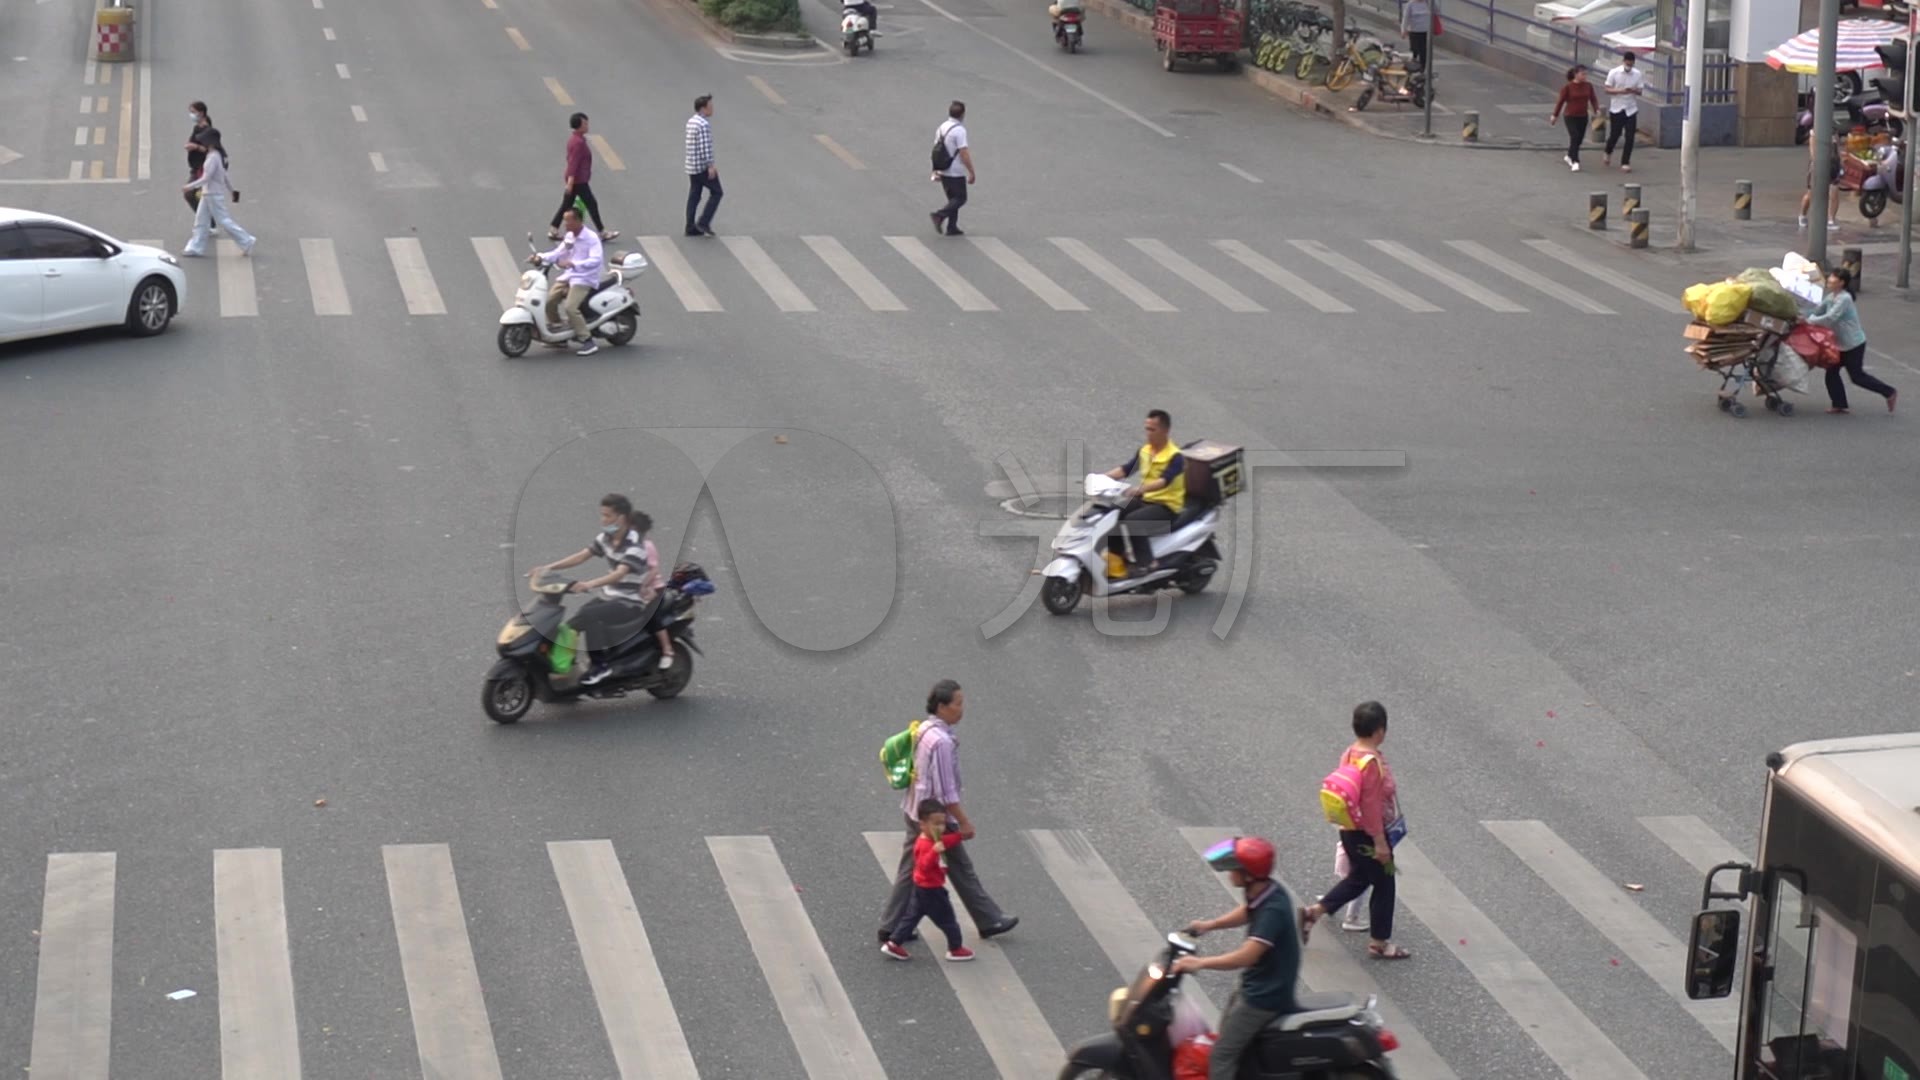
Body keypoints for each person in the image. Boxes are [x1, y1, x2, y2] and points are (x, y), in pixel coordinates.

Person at [878, 680, 1018, 944]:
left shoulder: (925, 729)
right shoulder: (940, 741)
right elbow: (946, 791)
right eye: (957, 703)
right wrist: (963, 822)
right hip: (935, 818)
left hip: (915, 808)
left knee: (913, 869)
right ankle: (988, 919)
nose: (961, 709)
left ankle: (891, 925)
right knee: (961, 868)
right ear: (942, 707)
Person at [1171, 836, 1309, 1080]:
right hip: (1257, 982)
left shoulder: (1272, 910)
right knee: (1228, 1037)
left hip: (1265, 994)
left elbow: (1246, 956)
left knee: (1221, 1055)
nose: (1229, 873)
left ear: (1248, 875)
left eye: (1234, 868)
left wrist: (1199, 963)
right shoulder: (1267, 891)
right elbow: (1247, 912)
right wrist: (1209, 925)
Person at [1303, 701, 1412, 961]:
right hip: (1367, 834)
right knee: (1385, 884)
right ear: (1379, 731)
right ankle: (1379, 942)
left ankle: (1313, 913)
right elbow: (1371, 805)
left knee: (1360, 878)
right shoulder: (1371, 763)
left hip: (1349, 829)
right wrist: (1380, 843)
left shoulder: (1350, 752)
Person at [525, 494, 663, 685]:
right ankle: (565, 670)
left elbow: (619, 574)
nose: (603, 520)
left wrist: (589, 584)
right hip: (610, 597)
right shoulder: (606, 538)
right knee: (571, 625)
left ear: (620, 518)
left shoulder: (635, 545)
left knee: (590, 616)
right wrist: (547, 568)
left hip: (629, 602)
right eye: (602, 515)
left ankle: (600, 667)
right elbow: (582, 556)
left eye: (607, 516)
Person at [880, 798, 975, 962]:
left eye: (942, 823)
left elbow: (945, 841)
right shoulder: (926, 845)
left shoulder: (933, 840)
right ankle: (955, 948)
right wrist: (934, 852)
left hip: (921, 888)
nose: (940, 828)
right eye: (936, 824)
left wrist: (959, 836)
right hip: (932, 889)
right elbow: (923, 865)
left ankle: (894, 943)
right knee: (949, 921)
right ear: (922, 825)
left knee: (911, 918)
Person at [1103, 408, 1185, 577]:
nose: (1148, 433)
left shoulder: (1175, 456)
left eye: (1152, 430)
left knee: (1134, 521)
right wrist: (1101, 478)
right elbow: (1126, 469)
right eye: (1146, 429)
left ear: (1165, 431)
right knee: (1112, 513)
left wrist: (1139, 490)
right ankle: (1117, 557)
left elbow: (1164, 481)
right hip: (1146, 499)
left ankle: (1148, 563)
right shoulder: (1146, 451)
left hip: (1167, 506)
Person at [1807, 267, 1896, 415]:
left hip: (1853, 345)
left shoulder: (1845, 299)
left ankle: (1889, 392)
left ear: (1841, 283)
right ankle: (1839, 404)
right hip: (1840, 345)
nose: (1829, 280)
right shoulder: (1832, 297)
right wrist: (1801, 315)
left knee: (1857, 377)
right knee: (1831, 373)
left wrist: (1808, 320)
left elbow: (1830, 318)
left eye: (1832, 279)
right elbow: (1817, 311)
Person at [530, 208, 605, 356]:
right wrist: (540, 257)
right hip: (569, 276)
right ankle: (560, 336)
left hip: (585, 277)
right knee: (550, 301)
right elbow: (558, 253)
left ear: (578, 221)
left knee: (571, 308)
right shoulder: (570, 236)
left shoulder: (591, 238)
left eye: (568, 220)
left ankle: (587, 340)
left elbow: (596, 260)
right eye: (564, 220)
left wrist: (575, 264)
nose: (565, 224)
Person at [182, 130, 255, 257]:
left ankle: (246, 240)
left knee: (224, 220)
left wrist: (190, 186)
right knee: (201, 221)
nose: (202, 143)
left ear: (209, 142)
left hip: (212, 194)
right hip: (209, 193)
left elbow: (206, 178)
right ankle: (195, 247)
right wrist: (231, 190)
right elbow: (224, 175)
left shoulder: (213, 158)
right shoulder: (216, 155)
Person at [549, 113, 618, 242]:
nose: (587, 125)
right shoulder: (578, 143)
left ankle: (553, 229)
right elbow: (573, 163)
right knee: (591, 204)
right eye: (585, 123)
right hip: (578, 181)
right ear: (579, 125)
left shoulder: (575, 139)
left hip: (577, 179)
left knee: (566, 204)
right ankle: (602, 232)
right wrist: (570, 182)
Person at [929, 101, 975, 237]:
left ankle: (952, 226)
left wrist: (935, 169)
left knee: (953, 199)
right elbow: (964, 152)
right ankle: (939, 215)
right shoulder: (959, 130)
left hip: (943, 168)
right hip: (955, 170)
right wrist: (971, 171)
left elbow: (936, 150)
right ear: (962, 114)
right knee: (960, 198)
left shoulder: (942, 127)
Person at [1601, 51, 1645, 172]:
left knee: (1630, 136)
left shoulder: (1637, 74)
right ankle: (1608, 151)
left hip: (1631, 108)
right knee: (1615, 134)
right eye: (1627, 63)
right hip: (1617, 108)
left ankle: (1625, 162)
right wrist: (1620, 91)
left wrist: (1633, 90)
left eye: (1631, 64)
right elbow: (1607, 89)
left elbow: (1640, 91)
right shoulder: (1614, 72)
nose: (1629, 66)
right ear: (1623, 61)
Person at [684, 95, 721, 238]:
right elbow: (705, 147)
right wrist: (710, 165)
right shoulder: (703, 124)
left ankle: (690, 225)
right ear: (703, 108)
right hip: (701, 167)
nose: (712, 109)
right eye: (710, 106)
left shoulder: (691, 121)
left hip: (691, 165)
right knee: (717, 192)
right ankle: (703, 222)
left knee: (694, 195)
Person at [1549, 65, 1597, 173]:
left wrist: (1596, 109)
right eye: (1582, 74)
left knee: (1579, 139)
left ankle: (1569, 155)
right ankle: (1575, 161)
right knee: (1574, 136)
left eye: (1586, 74)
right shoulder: (1568, 87)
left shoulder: (1588, 86)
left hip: (1583, 116)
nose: (1585, 76)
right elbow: (1560, 102)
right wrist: (1555, 115)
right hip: (1570, 116)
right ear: (1576, 74)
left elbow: (1593, 99)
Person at [184, 102, 219, 219]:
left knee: (190, 193)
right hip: (196, 166)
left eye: (193, 112)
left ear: (201, 113)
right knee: (199, 195)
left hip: (203, 167)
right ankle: (208, 220)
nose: (191, 115)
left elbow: (211, 150)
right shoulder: (197, 128)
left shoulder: (207, 130)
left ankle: (209, 220)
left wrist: (196, 147)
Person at [1801, 135, 1842, 230]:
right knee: (1811, 194)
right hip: (1818, 166)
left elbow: (1837, 149)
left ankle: (1831, 220)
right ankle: (1802, 215)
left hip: (1833, 166)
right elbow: (1813, 153)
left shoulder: (1834, 134)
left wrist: (1840, 162)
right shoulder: (1815, 134)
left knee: (1834, 192)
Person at [1399, 0, 1433, 69]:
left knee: (1423, 51)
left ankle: (1422, 68)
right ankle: (1412, 67)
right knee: (1414, 50)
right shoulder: (1410, 4)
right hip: (1414, 31)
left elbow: (1436, 11)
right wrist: (1403, 30)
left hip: (1425, 31)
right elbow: (1405, 18)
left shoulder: (1427, 3)